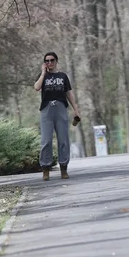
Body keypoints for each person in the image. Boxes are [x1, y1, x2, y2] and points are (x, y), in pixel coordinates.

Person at [33, 52, 82, 180]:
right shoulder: (43, 76)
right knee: (46, 141)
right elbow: (36, 87)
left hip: (61, 108)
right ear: (44, 63)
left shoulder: (63, 76)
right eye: (47, 61)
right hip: (46, 109)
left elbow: (69, 93)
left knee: (63, 140)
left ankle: (64, 168)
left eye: (52, 60)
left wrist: (76, 110)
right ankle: (45, 169)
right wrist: (43, 73)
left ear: (56, 61)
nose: (50, 63)